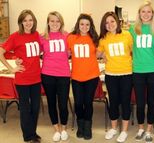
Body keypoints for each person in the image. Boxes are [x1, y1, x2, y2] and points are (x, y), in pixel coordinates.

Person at [0, 9, 42, 143]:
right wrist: (12, 68)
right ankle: (27, 137)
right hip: (22, 79)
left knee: (35, 108)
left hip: (36, 78)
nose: (28, 23)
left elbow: (42, 50)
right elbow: (0, 52)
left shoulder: (37, 35)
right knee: (25, 109)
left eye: (30, 20)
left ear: (34, 21)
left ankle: (33, 132)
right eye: (25, 20)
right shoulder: (15, 36)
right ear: (21, 22)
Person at [129, 1, 154, 142]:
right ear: (139, 14)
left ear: (152, 14)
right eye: (143, 11)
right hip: (138, 70)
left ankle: (149, 129)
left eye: (149, 11)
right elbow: (129, 47)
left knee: (151, 102)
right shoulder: (132, 29)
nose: (146, 14)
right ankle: (141, 128)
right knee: (140, 103)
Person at [97, 11, 133, 143]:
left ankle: (124, 130)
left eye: (112, 21)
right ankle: (114, 128)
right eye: (106, 22)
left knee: (125, 102)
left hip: (126, 74)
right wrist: (101, 55)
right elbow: (97, 53)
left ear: (117, 22)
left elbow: (134, 51)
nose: (110, 24)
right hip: (111, 74)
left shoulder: (127, 35)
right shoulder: (103, 38)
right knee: (113, 102)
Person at [67, 13, 100, 140]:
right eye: (82, 24)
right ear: (78, 25)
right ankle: (80, 126)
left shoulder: (95, 38)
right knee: (78, 103)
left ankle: (87, 127)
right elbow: (65, 51)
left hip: (92, 76)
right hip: (76, 77)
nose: (84, 26)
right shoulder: (71, 37)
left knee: (88, 102)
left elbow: (102, 52)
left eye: (87, 24)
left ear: (90, 26)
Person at [40, 11, 70, 142]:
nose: (55, 24)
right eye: (52, 21)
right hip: (47, 74)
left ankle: (64, 128)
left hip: (63, 74)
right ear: (48, 22)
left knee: (63, 104)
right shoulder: (42, 37)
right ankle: (56, 129)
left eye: (57, 21)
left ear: (61, 23)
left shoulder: (67, 36)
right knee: (51, 103)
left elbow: (72, 51)